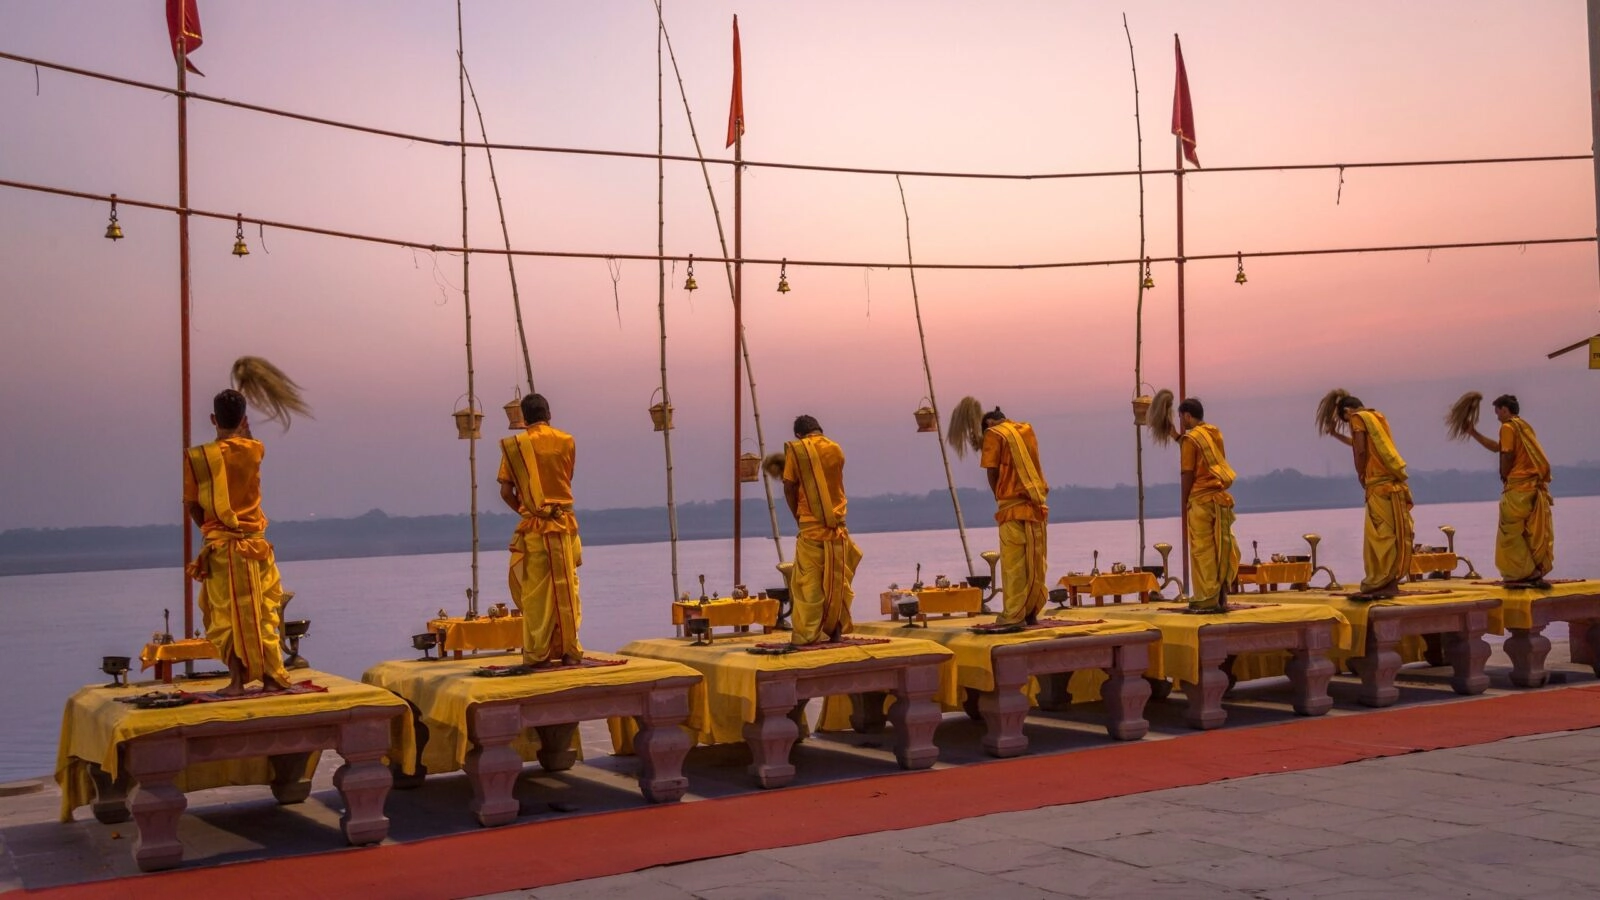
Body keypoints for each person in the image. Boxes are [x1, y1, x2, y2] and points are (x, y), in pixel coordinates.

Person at [184, 389, 292, 696]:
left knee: (226, 615)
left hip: (221, 547)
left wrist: (213, 531)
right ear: (244, 420)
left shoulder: (197, 458)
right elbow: (247, 440)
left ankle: (236, 681)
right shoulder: (255, 449)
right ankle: (272, 676)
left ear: (212, 419)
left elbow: (193, 505)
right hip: (255, 547)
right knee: (262, 611)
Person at [498, 393, 583, 667]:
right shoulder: (567, 441)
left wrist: (529, 511)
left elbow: (505, 491)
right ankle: (570, 650)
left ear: (524, 419)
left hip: (535, 528)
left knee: (535, 593)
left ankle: (538, 654)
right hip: (564, 524)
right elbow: (565, 479)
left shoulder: (516, 446)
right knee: (567, 586)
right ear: (549, 414)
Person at [781, 415, 862, 645]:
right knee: (836, 581)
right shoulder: (836, 449)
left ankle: (808, 635)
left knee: (810, 583)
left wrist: (797, 515)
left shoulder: (796, 450)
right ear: (820, 430)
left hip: (810, 525)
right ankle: (835, 631)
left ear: (799, 435)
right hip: (838, 525)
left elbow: (789, 486)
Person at [1463, 395, 1554, 586]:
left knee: (1509, 531)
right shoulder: (1523, 426)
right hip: (1530, 487)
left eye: (1497, 412)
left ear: (1505, 409)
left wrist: (1504, 474)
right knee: (1526, 532)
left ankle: (1522, 573)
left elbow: (1507, 453)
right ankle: (1533, 570)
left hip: (1518, 488)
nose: (1497, 417)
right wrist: (1473, 433)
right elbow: (1498, 447)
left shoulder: (1507, 427)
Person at [1337, 394, 1414, 599]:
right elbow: (1359, 444)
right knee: (1390, 534)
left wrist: (1360, 473)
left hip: (1378, 485)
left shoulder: (1357, 418)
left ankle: (1380, 580)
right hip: (1391, 484)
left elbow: (1360, 450)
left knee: (1379, 536)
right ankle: (1390, 580)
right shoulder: (1377, 417)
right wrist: (1335, 435)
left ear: (1347, 411)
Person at [980, 407, 1050, 627]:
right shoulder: (1027, 429)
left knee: (1014, 565)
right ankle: (1031, 613)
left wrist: (998, 496)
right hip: (1037, 506)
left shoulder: (994, 433)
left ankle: (1013, 615)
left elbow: (991, 471)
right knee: (1036, 562)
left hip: (1011, 507)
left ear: (990, 422)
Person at [1177, 398, 1240, 613]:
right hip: (1220, 498)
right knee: (1221, 548)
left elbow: (1188, 471)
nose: (1181, 423)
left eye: (1181, 418)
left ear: (1186, 415)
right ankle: (1222, 596)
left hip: (1201, 501)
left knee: (1203, 550)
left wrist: (1184, 500)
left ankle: (1207, 598)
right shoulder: (1214, 433)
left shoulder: (1190, 439)